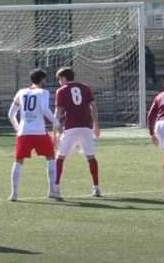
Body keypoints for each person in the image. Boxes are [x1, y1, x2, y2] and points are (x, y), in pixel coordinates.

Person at [7, 69, 63, 201]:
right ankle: (52, 191)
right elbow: (45, 109)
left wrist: (17, 128)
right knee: (50, 157)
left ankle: (14, 193)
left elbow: (11, 114)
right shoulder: (43, 92)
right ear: (42, 80)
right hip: (39, 131)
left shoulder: (21, 92)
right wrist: (57, 124)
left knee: (18, 160)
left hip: (23, 132)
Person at [53, 67, 101, 198]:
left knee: (60, 157)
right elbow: (93, 106)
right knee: (90, 156)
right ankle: (96, 187)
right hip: (86, 126)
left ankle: (56, 187)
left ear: (64, 78)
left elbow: (57, 113)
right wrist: (96, 124)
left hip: (70, 127)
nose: (59, 82)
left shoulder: (61, 91)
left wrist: (54, 133)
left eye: (59, 79)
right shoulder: (85, 87)